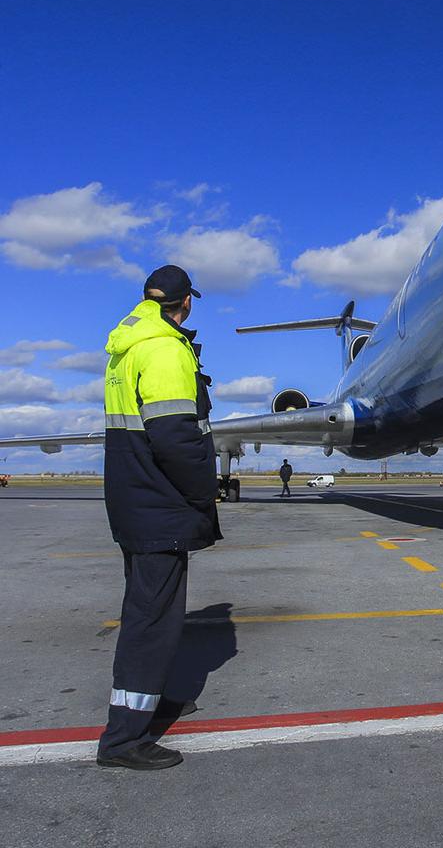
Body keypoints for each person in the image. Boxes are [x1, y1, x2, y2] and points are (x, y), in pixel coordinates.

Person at [96, 264, 220, 771]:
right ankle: (123, 739)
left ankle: (152, 701)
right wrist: (201, 496)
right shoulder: (166, 349)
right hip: (160, 504)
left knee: (154, 614)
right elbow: (175, 438)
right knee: (151, 622)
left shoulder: (128, 347)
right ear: (185, 301)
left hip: (135, 498)